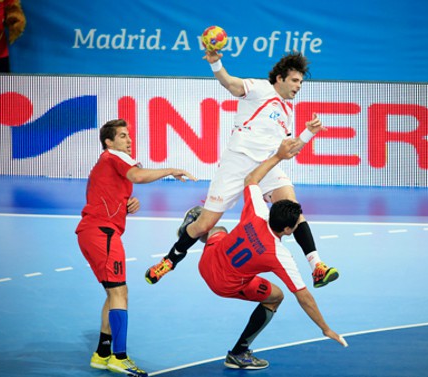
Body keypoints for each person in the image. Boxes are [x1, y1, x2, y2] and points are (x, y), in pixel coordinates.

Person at [145, 50, 339, 289]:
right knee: (204, 225)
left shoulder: (288, 111)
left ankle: (317, 267)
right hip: (237, 163)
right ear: (280, 78)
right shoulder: (259, 89)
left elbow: (289, 150)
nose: (299, 86)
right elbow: (230, 83)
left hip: (267, 166)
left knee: (293, 209)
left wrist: (308, 133)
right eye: (295, 80)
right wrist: (216, 63)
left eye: (301, 81)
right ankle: (169, 261)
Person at [198, 138, 347, 370]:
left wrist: (278, 156)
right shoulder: (279, 255)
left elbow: (251, 179)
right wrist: (325, 328)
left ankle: (193, 228)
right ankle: (239, 353)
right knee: (276, 296)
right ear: (287, 230)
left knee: (217, 228)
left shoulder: (257, 211)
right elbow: (304, 297)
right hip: (223, 283)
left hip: (207, 260)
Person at [75, 119, 196, 377]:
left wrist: (127, 202)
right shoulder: (114, 157)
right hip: (103, 233)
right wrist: (171, 170)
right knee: (120, 293)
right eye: (122, 136)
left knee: (113, 293)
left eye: (128, 135)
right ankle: (120, 357)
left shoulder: (108, 162)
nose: (128, 140)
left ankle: (102, 354)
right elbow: (138, 176)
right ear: (109, 141)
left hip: (96, 232)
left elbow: (113, 190)